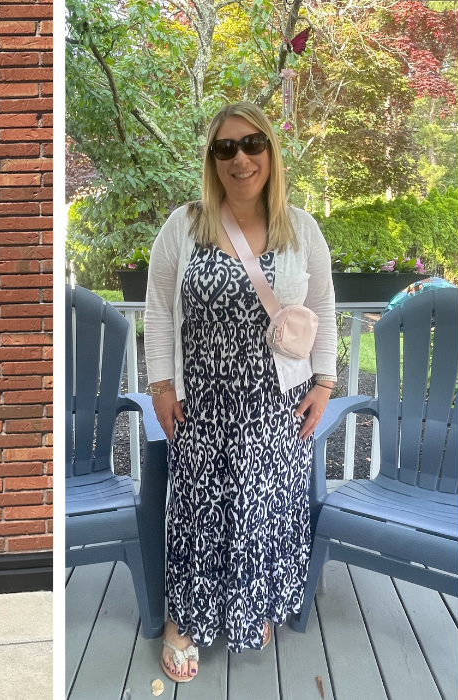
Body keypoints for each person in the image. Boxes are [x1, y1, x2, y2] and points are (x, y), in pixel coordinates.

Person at [143, 102, 337, 683]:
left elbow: (323, 309)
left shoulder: (301, 228)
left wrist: (325, 381)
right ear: (212, 160)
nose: (240, 158)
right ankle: (187, 619)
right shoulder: (184, 224)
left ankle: (249, 606)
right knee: (198, 511)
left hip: (274, 402)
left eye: (252, 144)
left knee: (262, 509)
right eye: (225, 148)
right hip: (200, 400)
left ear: (270, 153)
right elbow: (157, 310)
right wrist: (160, 384)